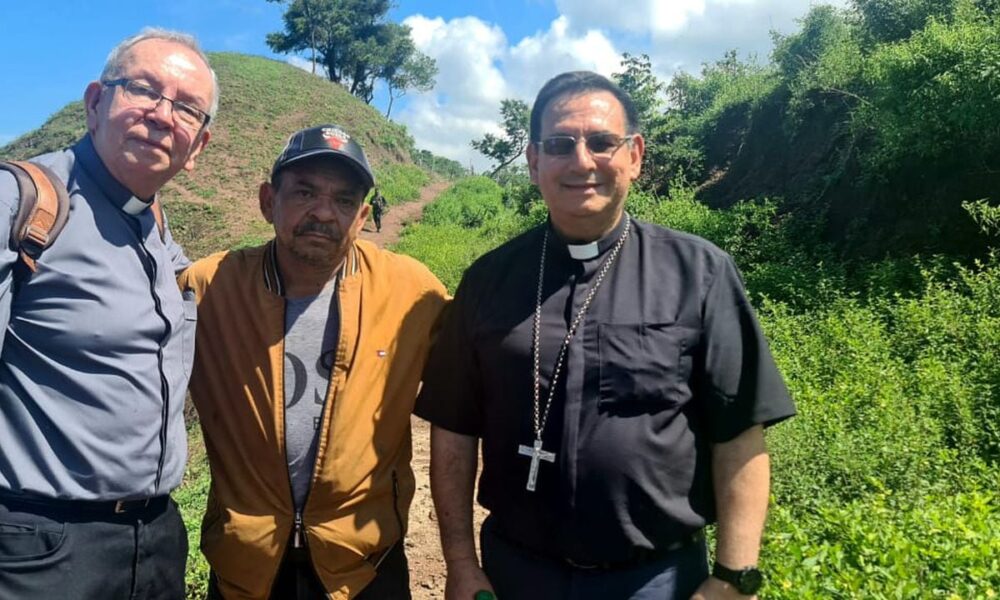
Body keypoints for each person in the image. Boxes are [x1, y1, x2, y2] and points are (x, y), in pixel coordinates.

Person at [416, 71, 796, 600]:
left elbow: (739, 431)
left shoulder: (700, 273)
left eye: (601, 142)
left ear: (635, 155)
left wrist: (734, 577)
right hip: (516, 573)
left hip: (657, 580)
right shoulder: (487, 280)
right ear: (533, 162)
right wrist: (459, 562)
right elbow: (454, 430)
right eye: (559, 145)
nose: (581, 161)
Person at [178, 124, 448, 599]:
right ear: (268, 201)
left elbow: (479, 370)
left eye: (344, 201)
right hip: (247, 564)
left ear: (362, 216)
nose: (324, 212)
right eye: (304, 192)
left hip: (365, 564)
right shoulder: (208, 289)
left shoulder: (412, 291)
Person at [0, 28, 217, 599]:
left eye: (187, 109)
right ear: (96, 102)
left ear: (198, 148)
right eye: (143, 89)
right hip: (43, 550)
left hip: (156, 540)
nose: (162, 114)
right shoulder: (22, 205)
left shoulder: (156, 229)